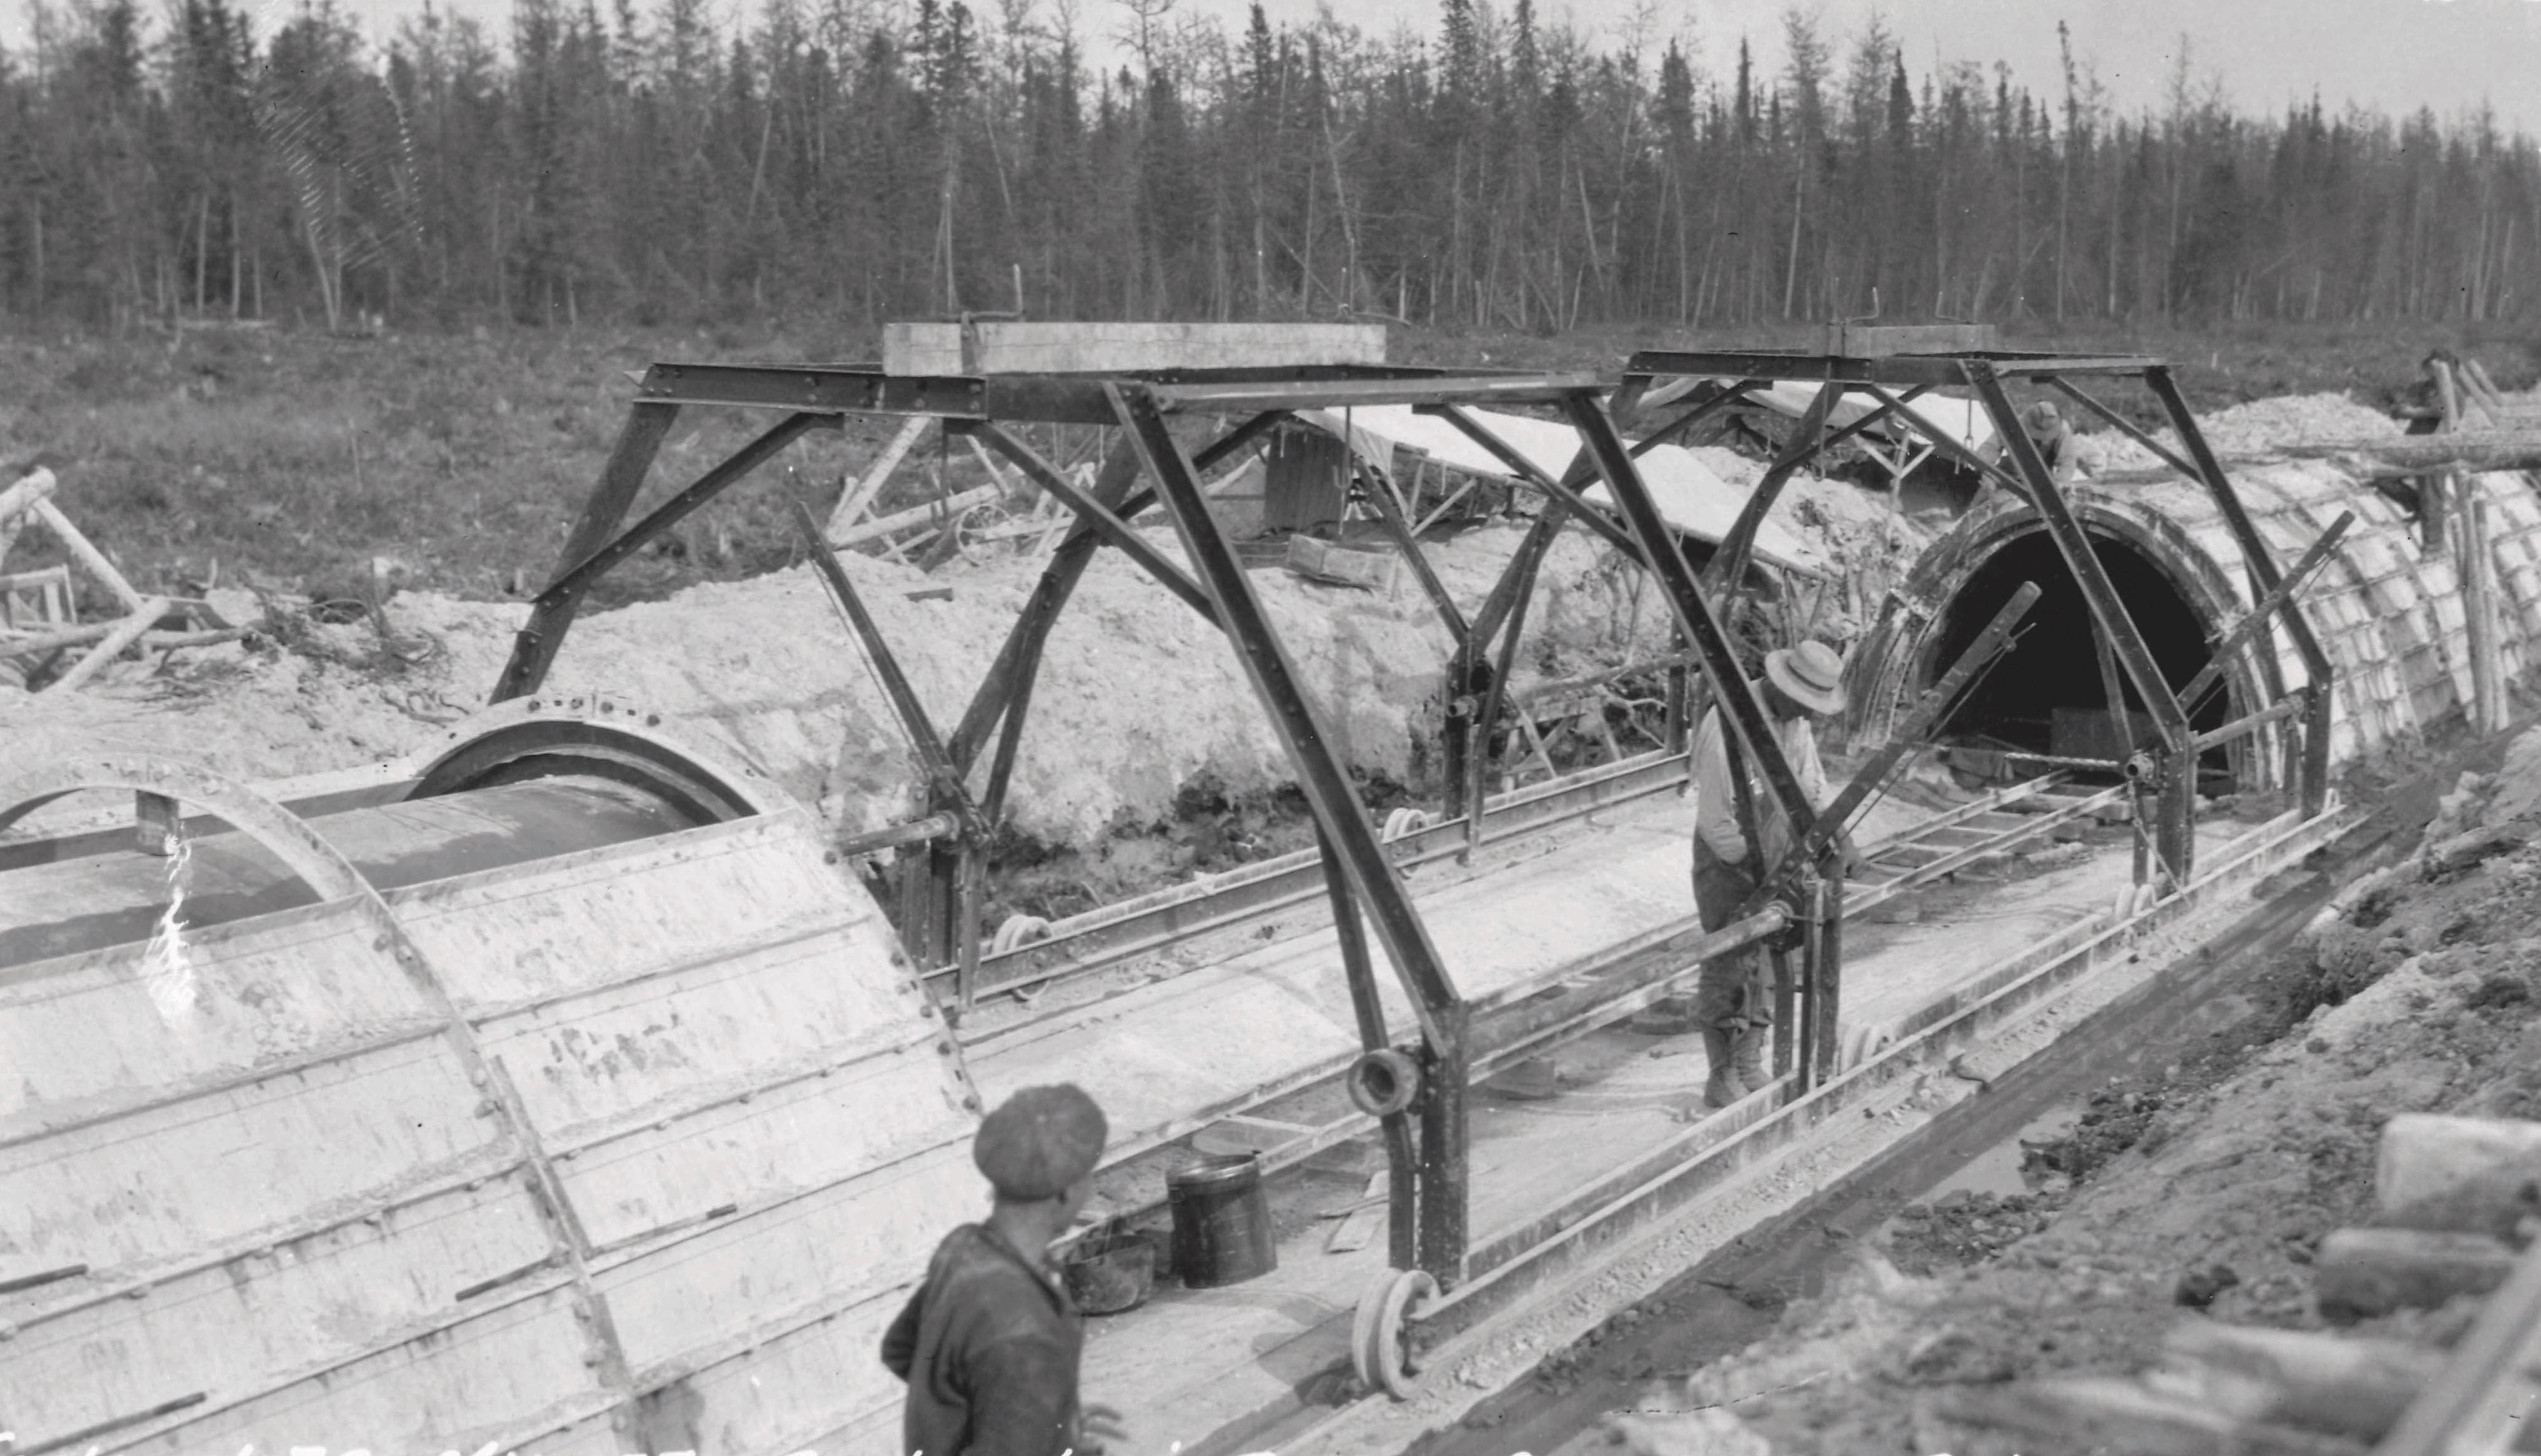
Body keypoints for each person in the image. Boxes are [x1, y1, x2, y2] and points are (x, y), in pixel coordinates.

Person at [883, 1084, 1130, 1456]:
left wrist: (1050, 1422)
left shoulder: (963, 1248)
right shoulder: (1025, 1331)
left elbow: (900, 1350)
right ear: (1065, 1193)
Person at [1689, 639, 1855, 1110]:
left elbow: (1814, 787)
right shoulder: (1726, 724)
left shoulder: (1794, 722)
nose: (1808, 715)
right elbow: (1716, 819)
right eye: (1803, 704)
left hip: (1777, 852)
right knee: (1728, 956)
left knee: (1763, 955)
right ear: (1781, 687)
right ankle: (1720, 1075)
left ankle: (1748, 1063)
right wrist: (1752, 871)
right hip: (1729, 861)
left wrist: (1838, 838)